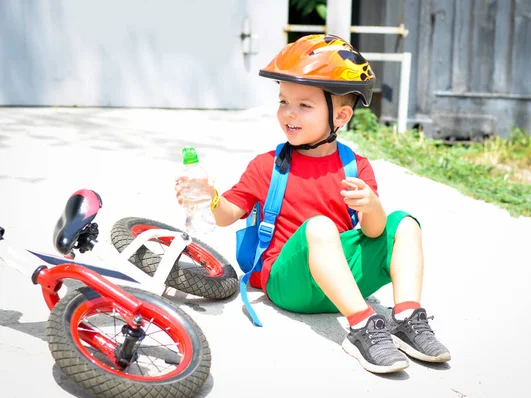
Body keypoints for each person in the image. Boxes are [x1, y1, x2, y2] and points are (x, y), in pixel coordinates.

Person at [175, 34, 450, 374]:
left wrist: (372, 206)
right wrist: (209, 195)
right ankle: (363, 327)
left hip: (342, 282)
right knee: (319, 227)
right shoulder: (268, 165)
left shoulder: (356, 167)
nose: (289, 113)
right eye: (283, 102)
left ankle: (408, 317)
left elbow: (374, 231)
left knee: (404, 222)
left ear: (341, 115)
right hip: (290, 284)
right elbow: (227, 214)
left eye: (304, 105)